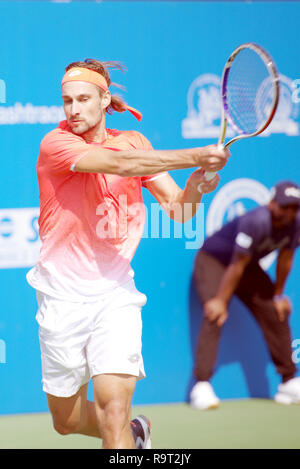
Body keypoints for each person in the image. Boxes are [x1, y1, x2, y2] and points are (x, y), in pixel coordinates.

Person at [26, 59, 229, 449]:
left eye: (84, 99)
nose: (74, 109)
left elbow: (180, 211)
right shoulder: (56, 143)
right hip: (60, 299)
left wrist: (196, 187)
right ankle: (136, 436)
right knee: (65, 421)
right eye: (67, 100)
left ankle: (123, 433)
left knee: (112, 412)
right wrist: (196, 156)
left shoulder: (134, 141)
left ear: (105, 100)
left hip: (115, 295)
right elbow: (121, 164)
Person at [191, 180, 300, 410]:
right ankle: (201, 386)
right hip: (214, 261)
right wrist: (221, 301)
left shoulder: (296, 224)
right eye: (284, 206)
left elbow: (286, 258)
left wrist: (278, 295)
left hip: (245, 265)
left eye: (294, 208)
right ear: (272, 204)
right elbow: (236, 265)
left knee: (275, 309)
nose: (289, 213)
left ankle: (288, 381)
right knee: (215, 312)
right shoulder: (256, 221)